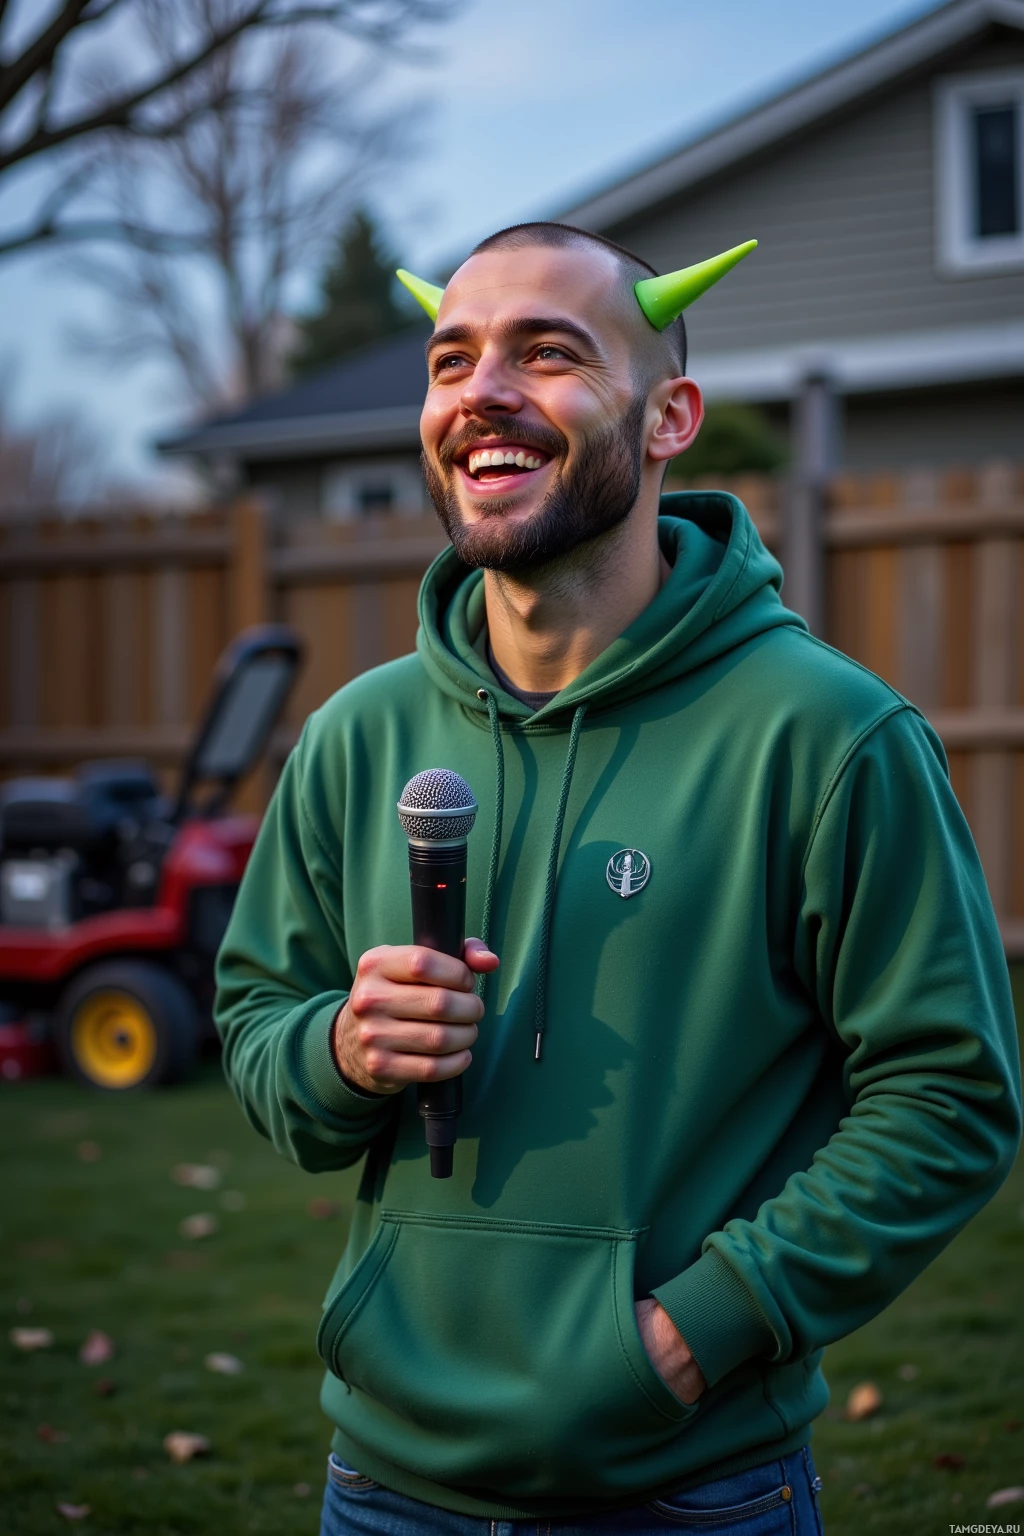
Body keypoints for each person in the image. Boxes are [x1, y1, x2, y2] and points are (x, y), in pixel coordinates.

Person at [214, 222, 1022, 1535]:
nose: (483, 392)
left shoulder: (825, 736)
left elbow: (950, 1095)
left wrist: (703, 1328)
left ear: (668, 418)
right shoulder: (353, 740)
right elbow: (257, 1028)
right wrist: (342, 1051)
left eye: (548, 353)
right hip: (379, 1486)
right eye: (451, 358)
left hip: (692, 1486)